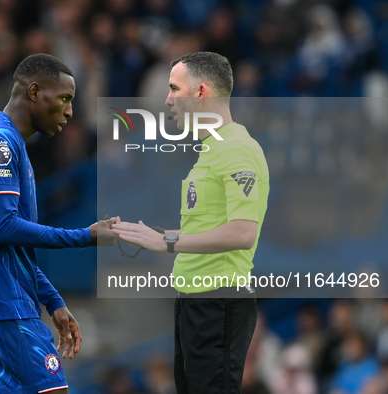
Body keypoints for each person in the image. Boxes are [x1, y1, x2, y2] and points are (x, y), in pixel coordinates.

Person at [0, 54, 117, 394]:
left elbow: (8, 241)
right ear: (34, 92)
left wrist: (52, 300)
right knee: (52, 391)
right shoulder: (1, 143)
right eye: (65, 99)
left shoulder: (8, 142)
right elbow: (3, 227)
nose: (70, 112)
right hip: (1, 301)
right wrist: (84, 236)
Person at [112, 51, 270, 394]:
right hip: (196, 301)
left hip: (219, 301)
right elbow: (208, 231)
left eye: (173, 89)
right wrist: (158, 235)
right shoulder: (210, 150)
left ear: (200, 92)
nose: (167, 100)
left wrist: (168, 243)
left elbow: (243, 232)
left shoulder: (236, 150)